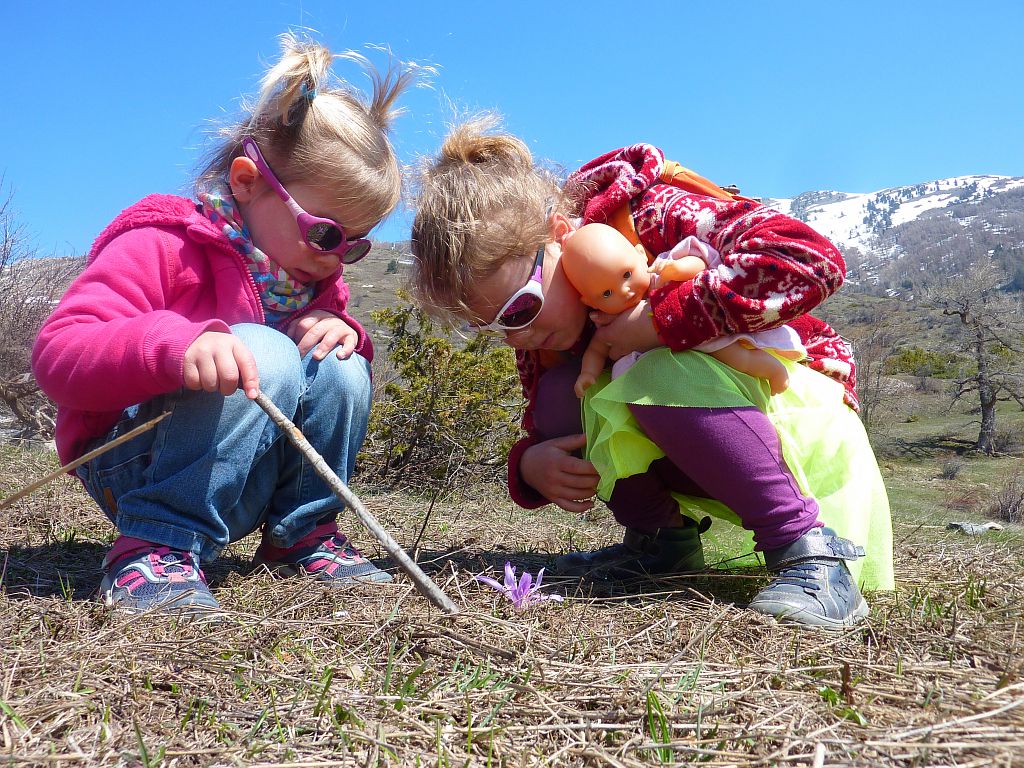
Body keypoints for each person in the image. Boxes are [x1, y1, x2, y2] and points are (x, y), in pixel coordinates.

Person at [411, 119, 894, 630]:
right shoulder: (547, 325)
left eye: (519, 309)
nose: (515, 336)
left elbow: (810, 260)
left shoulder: (653, 216)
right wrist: (530, 462)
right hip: (715, 429)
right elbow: (546, 413)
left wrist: (663, 321)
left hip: (795, 408)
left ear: (557, 234)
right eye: (491, 325)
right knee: (562, 392)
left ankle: (809, 555)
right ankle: (661, 545)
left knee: (654, 369)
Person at [31, 34, 413, 615]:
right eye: (327, 233)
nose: (336, 257)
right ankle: (154, 545)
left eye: (355, 245)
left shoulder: (310, 280)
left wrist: (346, 333)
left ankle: (302, 535)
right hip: (136, 461)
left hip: (243, 473)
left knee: (339, 362)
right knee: (262, 348)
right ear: (246, 182)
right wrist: (176, 345)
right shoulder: (164, 243)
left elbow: (327, 362)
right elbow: (60, 354)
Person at [561, 222, 804, 397]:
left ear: (640, 255)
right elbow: (595, 352)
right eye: (606, 293)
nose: (624, 290)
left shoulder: (659, 276)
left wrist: (676, 269)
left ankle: (774, 372)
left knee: (735, 356)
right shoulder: (607, 327)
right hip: (669, 375)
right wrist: (588, 374)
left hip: (700, 340)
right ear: (590, 303)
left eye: (626, 274)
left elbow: (699, 263)